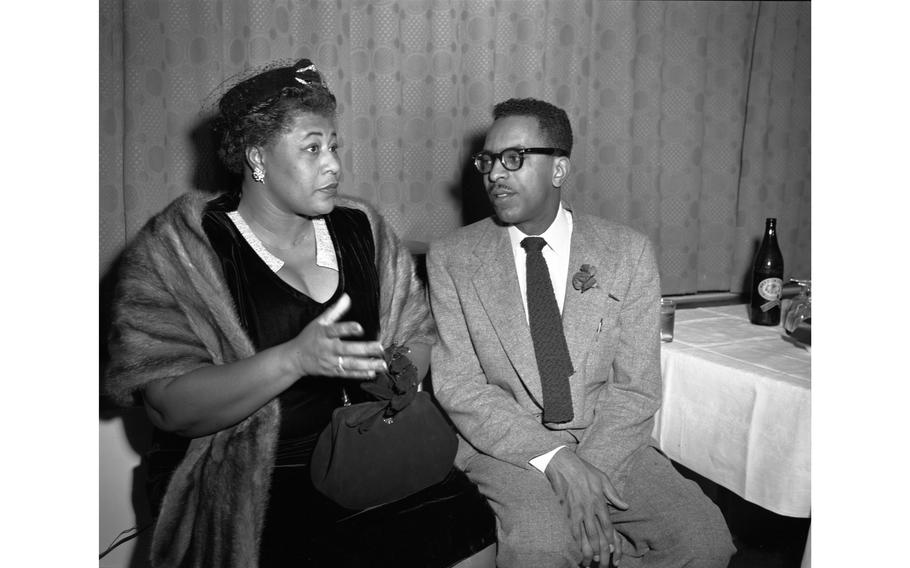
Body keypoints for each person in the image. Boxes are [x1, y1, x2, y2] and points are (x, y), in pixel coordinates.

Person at [104, 58, 495, 568]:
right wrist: (294, 359)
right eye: (312, 148)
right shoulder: (180, 250)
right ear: (257, 158)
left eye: (334, 147)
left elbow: (417, 336)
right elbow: (168, 407)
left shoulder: (363, 230)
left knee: (468, 528)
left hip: (372, 449)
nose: (333, 164)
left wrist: (393, 370)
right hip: (251, 476)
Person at [426, 98, 735, 568]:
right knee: (545, 546)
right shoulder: (452, 257)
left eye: (514, 158)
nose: (494, 174)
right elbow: (461, 388)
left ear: (558, 169)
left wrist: (593, 474)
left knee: (703, 539)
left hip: (610, 438)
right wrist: (557, 460)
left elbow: (636, 388)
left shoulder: (626, 252)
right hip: (507, 445)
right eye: (487, 160)